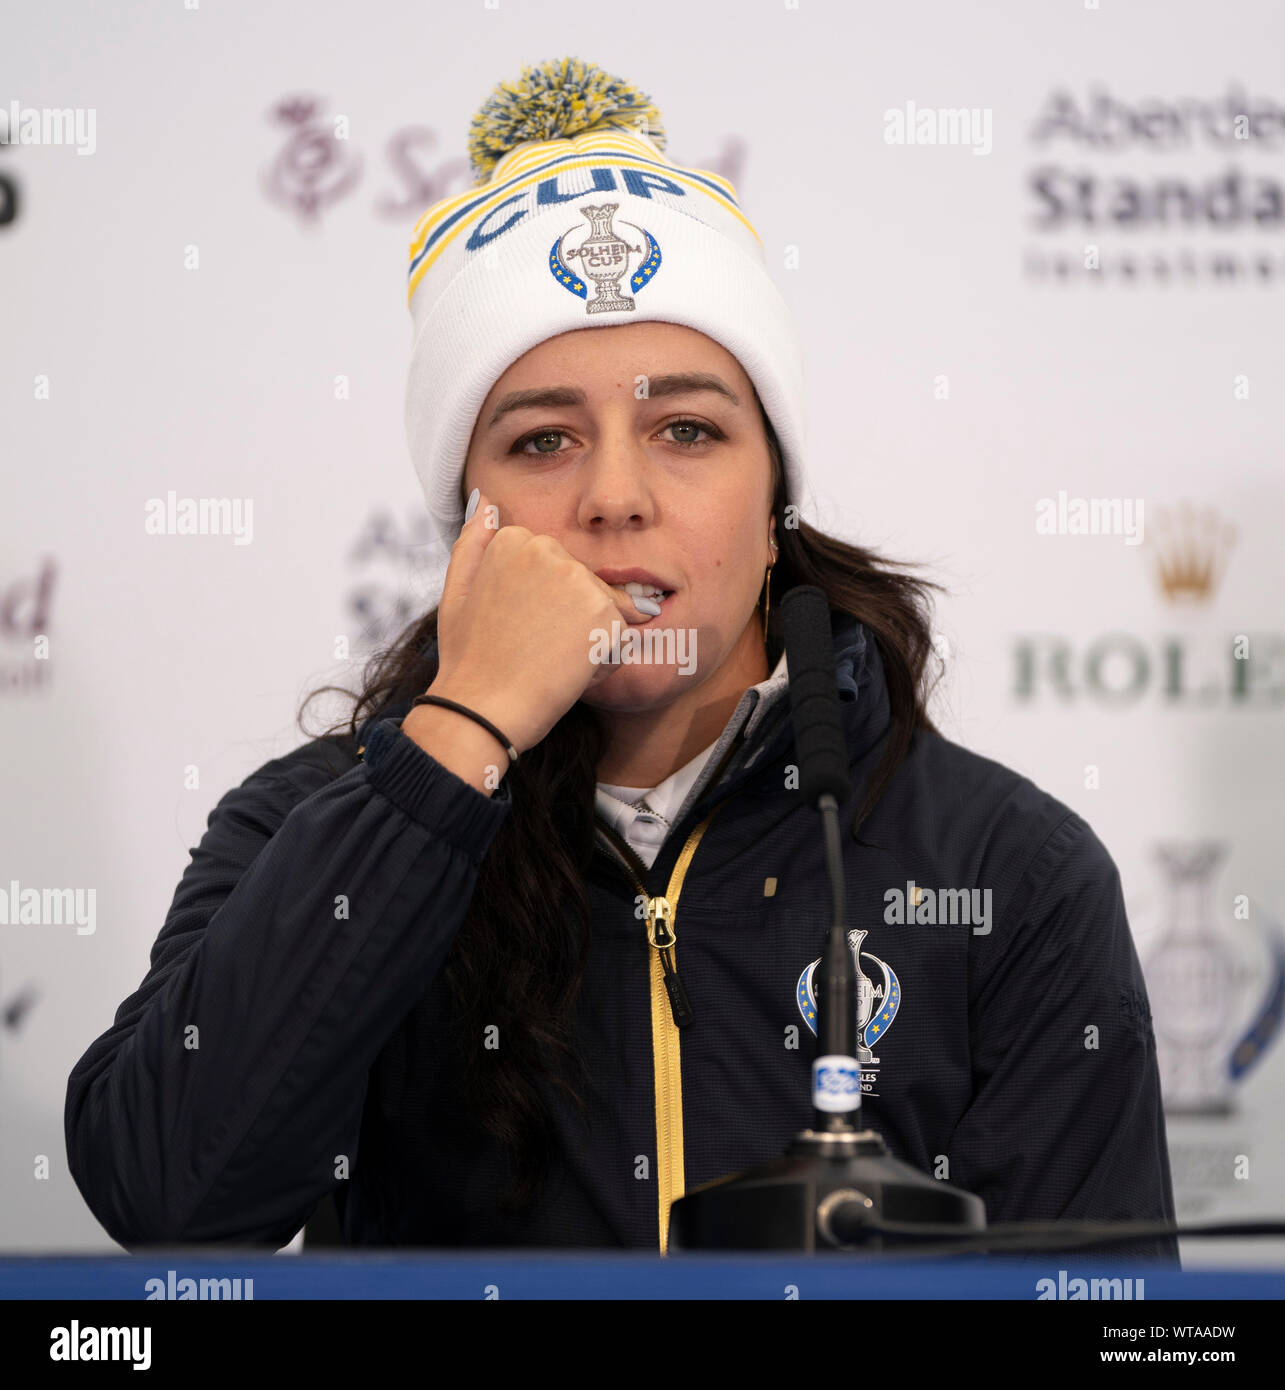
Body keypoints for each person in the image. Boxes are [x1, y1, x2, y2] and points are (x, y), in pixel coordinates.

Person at [65, 57, 1178, 1259]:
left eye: (686, 429)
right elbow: (167, 1201)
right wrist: (462, 736)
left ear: (775, 504)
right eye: (542, 440)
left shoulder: (1009, 868)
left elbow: (1103, 1311)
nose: (613, 496)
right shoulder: (315, 831)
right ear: (466, 522)